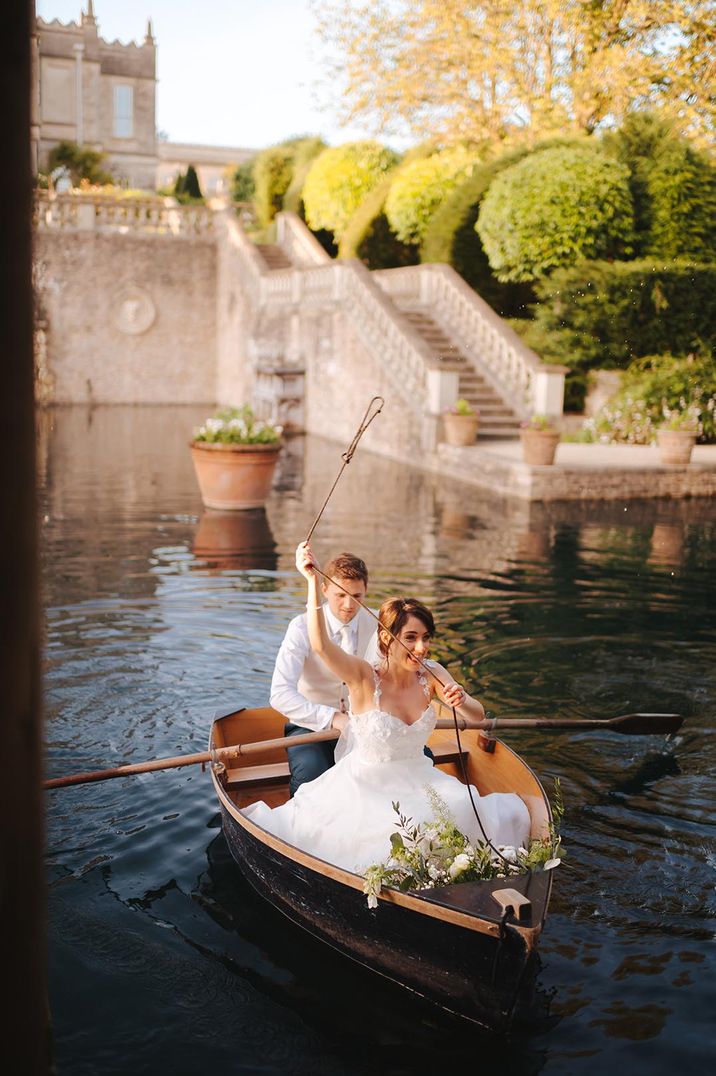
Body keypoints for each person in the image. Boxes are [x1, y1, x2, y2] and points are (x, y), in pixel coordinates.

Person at [244, 543, 531, 874]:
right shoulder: (347, 660)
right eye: (411, 638)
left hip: (406, 764)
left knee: (458, 805)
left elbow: (477, 718)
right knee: (312, 780)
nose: (420, 647)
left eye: (426, 638)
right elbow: (309, 659)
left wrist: (461, 699)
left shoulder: (423, 664)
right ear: (389, 639)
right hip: (320, 729)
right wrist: (308, 580)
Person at [270, 550, 378, 796]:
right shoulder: (300, 627)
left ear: (366, 591)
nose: (349, 605)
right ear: (325, 589)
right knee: (311, 773)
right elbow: (279, 694)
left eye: (357, 596)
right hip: (309, 727)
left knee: (409, 761)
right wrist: (332, 718)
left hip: (365, 724)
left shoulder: (380, 624)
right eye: (341, 595)